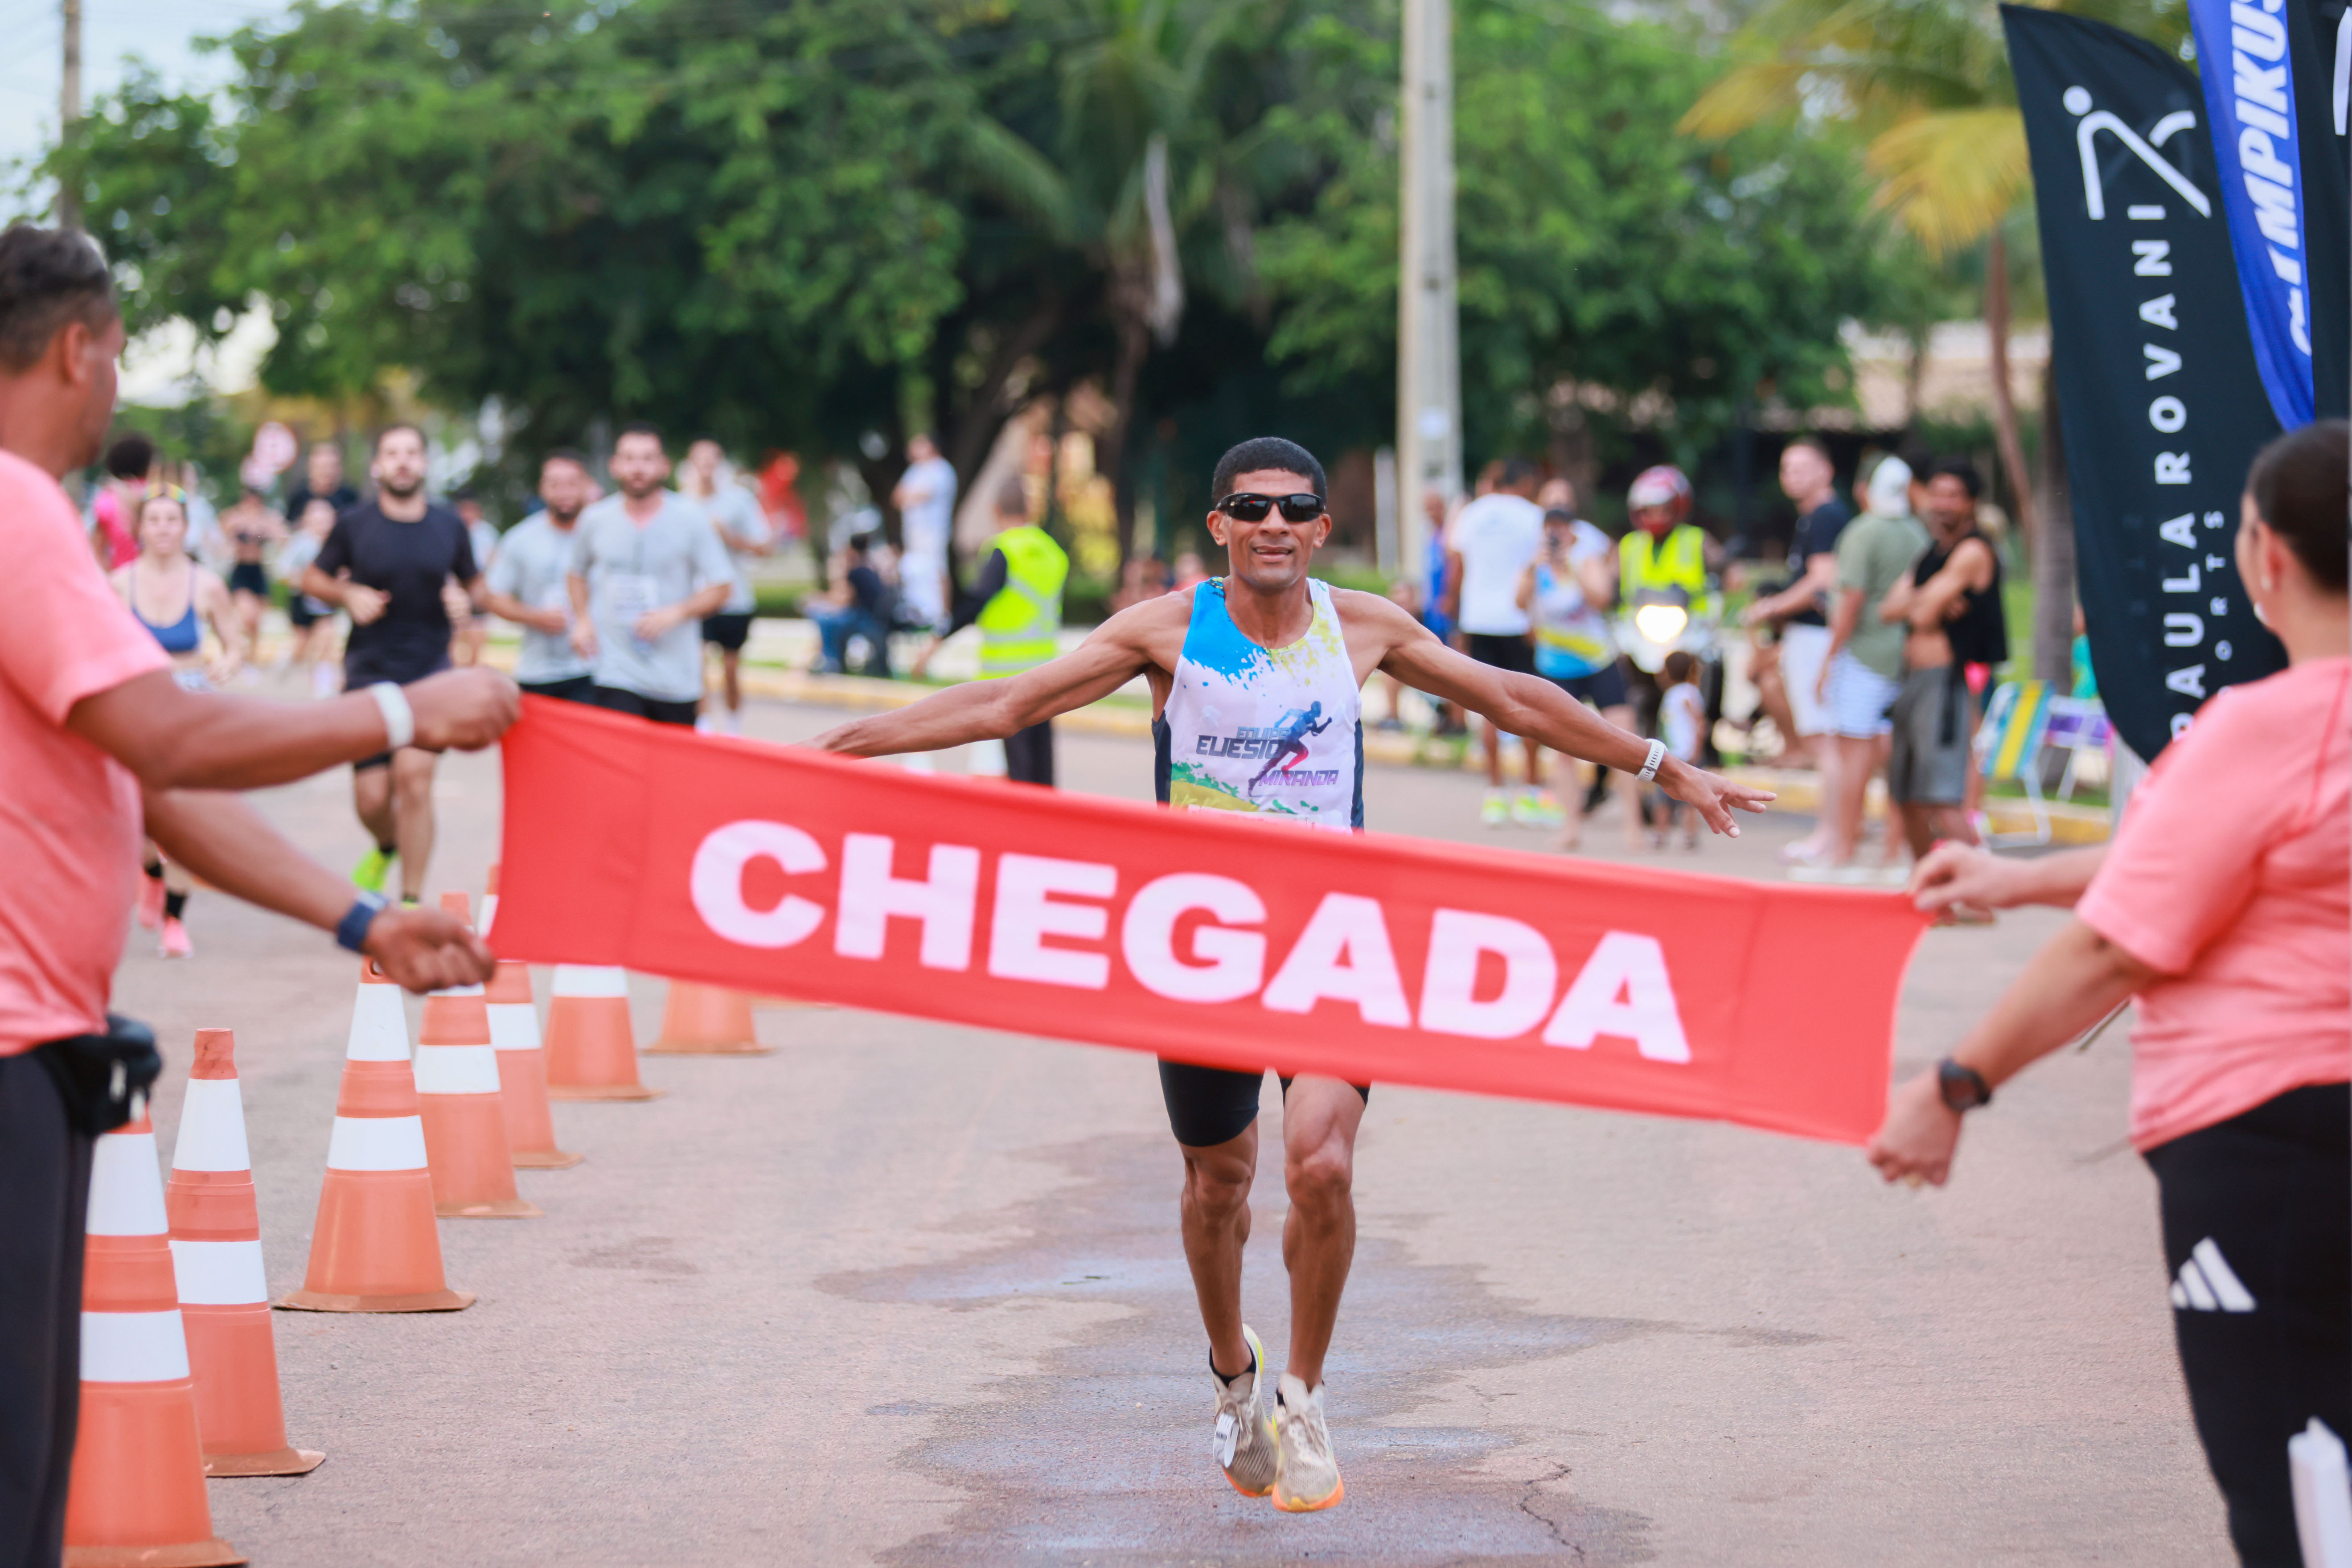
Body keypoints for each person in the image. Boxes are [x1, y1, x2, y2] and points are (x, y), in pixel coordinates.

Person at [808, 436, 1772, 1515]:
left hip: (1331, 945)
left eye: (1293, 507)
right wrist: (836, 749)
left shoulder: (1360, 625)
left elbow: (1506, 695)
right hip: (1203, 950)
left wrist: (1657, 763)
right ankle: (1233, 1373)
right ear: (1218, 524)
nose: (1272, 522)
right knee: (1214, 1185)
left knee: (1320, 1166)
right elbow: (1003, 706)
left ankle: (1304, 1396)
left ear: (1320, 527)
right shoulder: (1166, 627)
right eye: (1249, 506)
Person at [0, 220, 514, 1568]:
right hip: (2, 1055)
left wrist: (359, 920)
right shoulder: (14, 513)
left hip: (40, 1042)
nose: (116, 386)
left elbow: (150, 786)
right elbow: (174, 737)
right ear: (80, 347)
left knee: (27, 1463)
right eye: (115, 357)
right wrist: (407, 704)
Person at [1871, 420, 2349, 1567]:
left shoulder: (2267, 723)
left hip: (2274, 1150)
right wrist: (2013, 874)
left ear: (2264, 557)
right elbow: (2212, 854)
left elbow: (2112, 950)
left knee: (2289, 1497)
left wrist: (1952, 1082)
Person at [299, 424, 487, 903]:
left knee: (415, 778)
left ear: (425, 463)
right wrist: (347, 592)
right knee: (373, 798)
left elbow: (475, 588)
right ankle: (386, 845)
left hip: (431, 673)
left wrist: (469, 607)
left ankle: (409, 900)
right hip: (369, 671)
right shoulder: (354, 524)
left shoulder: (449, 525)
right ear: (378, 465)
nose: (402, 461)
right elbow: (312, 578)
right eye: (392, 453)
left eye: (411, 453)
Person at [111, 487, 248, 958]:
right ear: (141, 528)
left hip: (189, 705)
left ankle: (175, 920)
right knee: (139, 821)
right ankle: (150, 874)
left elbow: (235, 642)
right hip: (138, 704)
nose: (164, 529)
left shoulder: (207, 584)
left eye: (173, 520)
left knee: (183, 817)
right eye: (155, 520)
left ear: (186, 528)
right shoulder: (120, 585)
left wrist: (229, 662)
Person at [1876, 457, 2003, 862]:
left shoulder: (1973, 551)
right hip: (1912, 680)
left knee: (1941, 799)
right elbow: (1888, 610)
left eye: (1953, 496)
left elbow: (1921, 615)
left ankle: (1981, 897)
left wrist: (1923, 601)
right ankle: (1930, 888)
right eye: (1936, 494)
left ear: (1971, 504)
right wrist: (1928, 595)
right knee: (1906, 796)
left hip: (1944, 682)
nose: (1942, 504)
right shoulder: (1932, 554)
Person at [565, 423, 734, 726]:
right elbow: (576, 573)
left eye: (647, 458)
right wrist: (582, 620)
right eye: (629, 459)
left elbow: (722, 587)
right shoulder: (595, 519)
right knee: (621, 763)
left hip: (675, 679)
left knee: (669, 772)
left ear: (664, 465)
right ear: (614, 465)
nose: (637, 468)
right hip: (616, 671)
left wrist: (677, 612)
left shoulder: (691, 518)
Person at [1805, 456, 1926, 870]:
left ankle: (1844, 850)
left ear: (1863, 490)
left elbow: (1851, 601)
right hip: (1904, 656)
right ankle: (1894, 852)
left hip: (1862, 656)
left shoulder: (1863, 532)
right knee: (1896, 759)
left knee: (1852, 757)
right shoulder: (1916, 531)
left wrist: (1826, 661)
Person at [1515, 500, 1635, 850]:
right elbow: (1518, 603)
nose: (1556, 535)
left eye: (1562, 528)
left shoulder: (1586, 559)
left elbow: (1601, 597)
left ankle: (1634, 826)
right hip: (1556, 667)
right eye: (1550, 528)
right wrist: (1531, 569)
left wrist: (1571, 566)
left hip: (1598, 662)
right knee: (1562, 751)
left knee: (1625, 740)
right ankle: (1571, 827)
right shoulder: (1533, 565)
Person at [1443, 458, 1556, 827]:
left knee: (1487, 706)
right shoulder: (1533, 516)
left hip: (1479, 618)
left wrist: (1456, 614)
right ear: (1524, 482)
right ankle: (1530, 788)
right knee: (1529, 703)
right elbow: (1541, 570)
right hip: (1518, 620)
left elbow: (1456, 568)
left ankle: (1494, 791)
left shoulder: (1473, 513)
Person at [941, 476, 1069, 784]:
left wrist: (938, 638)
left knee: (1019, 767)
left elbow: (977, 599)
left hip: (1007, 676)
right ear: (1029, 509)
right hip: (1046, 670)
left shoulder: (1003, 548)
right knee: (1041, 765)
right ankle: (1048, 824)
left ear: (996, 510)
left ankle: (1024, 828)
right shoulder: (1052, 551)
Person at [1741, 437, 1847, 784]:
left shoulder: (1825, 517)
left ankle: (1835, 833)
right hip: (1811, 634)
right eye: (1787, 469)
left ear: (1826, 471)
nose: (1793, 476)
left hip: (1817, 634)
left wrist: (1769, 607)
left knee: (1822, 739)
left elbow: (1822, 580)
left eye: (1802, 468)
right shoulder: (1813, 518)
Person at [483, 449, 599, 704]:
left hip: (596, 671)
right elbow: (491, 597)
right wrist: (534, 617)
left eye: (572, 484)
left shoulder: (606, 536)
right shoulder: (520, 540)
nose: (564, 492)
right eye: (554, 484)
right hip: (538, 673)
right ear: (542, 488)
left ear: (586, 486)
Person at [679, 436, 772, 735]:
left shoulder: (738, 500)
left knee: (730, 670)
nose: (706, 468)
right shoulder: (681, 504)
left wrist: (728, 536)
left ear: (720, 464)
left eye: (711, 461)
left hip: (734, 598)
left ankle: (733, 726)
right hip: (695, 597)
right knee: (696, 665)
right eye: (699, 462)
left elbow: (763, 546)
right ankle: (702, 725)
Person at [891, 433, 957, 638]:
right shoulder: (915, 471)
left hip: (933, 531)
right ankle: (921, 612)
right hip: (914, 531)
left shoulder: (941, 469)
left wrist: (911, 495)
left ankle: (944, 615)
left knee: (938, 569)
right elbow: (898, 497)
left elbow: (924, 495)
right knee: (916, 571)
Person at [275, 497, 343, 697]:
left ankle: (323, 683)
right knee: (302, 646)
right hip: (302, 601)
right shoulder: (301, 543)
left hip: (327, 602)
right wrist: (303, 582)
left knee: (327, 638)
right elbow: (283, 570)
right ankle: (288, 662)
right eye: (318, 519)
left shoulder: (336, 543)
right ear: (308, 520)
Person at [217, 484, 286, 650]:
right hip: (241, 569)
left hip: (259, 570)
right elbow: (220, 539)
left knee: (256, 622)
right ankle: (238, 647)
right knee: (246, 615)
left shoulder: (267, 520)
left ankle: (252, 658)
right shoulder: (234, 518)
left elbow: (282, 539)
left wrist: (266, 530)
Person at [86, 431, 151, 570]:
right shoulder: (155, 493)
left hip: (119, 576)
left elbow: (97, 548)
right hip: (153, 576)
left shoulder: (106, 498)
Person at [448, 488, 498, 669]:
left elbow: (494, 560)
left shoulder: (486, 533)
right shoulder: (450, 530)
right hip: (454, 587)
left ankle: (473, 666)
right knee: (454, 630)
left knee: (477, 627)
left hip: (477, 586)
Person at [280, 438, 357, 526]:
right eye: (323, 467)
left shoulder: (349, 497)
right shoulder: (299, 497)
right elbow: (290, 526)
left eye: (332, 466)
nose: (328, 472)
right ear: (311, 468)